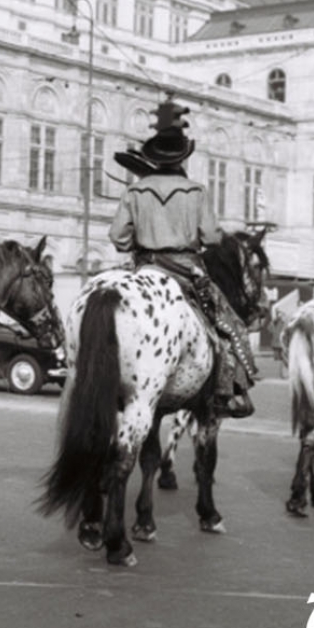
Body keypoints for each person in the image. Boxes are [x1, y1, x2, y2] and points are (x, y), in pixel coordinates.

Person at [108, 105, 258, 419]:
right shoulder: (196, 191)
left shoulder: (135, 190)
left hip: (142, 268)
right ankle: (229, 392)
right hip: (185, 271)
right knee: (230, 327)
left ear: (153, 157)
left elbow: (118, 238)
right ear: (182, 157)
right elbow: (213, 238)